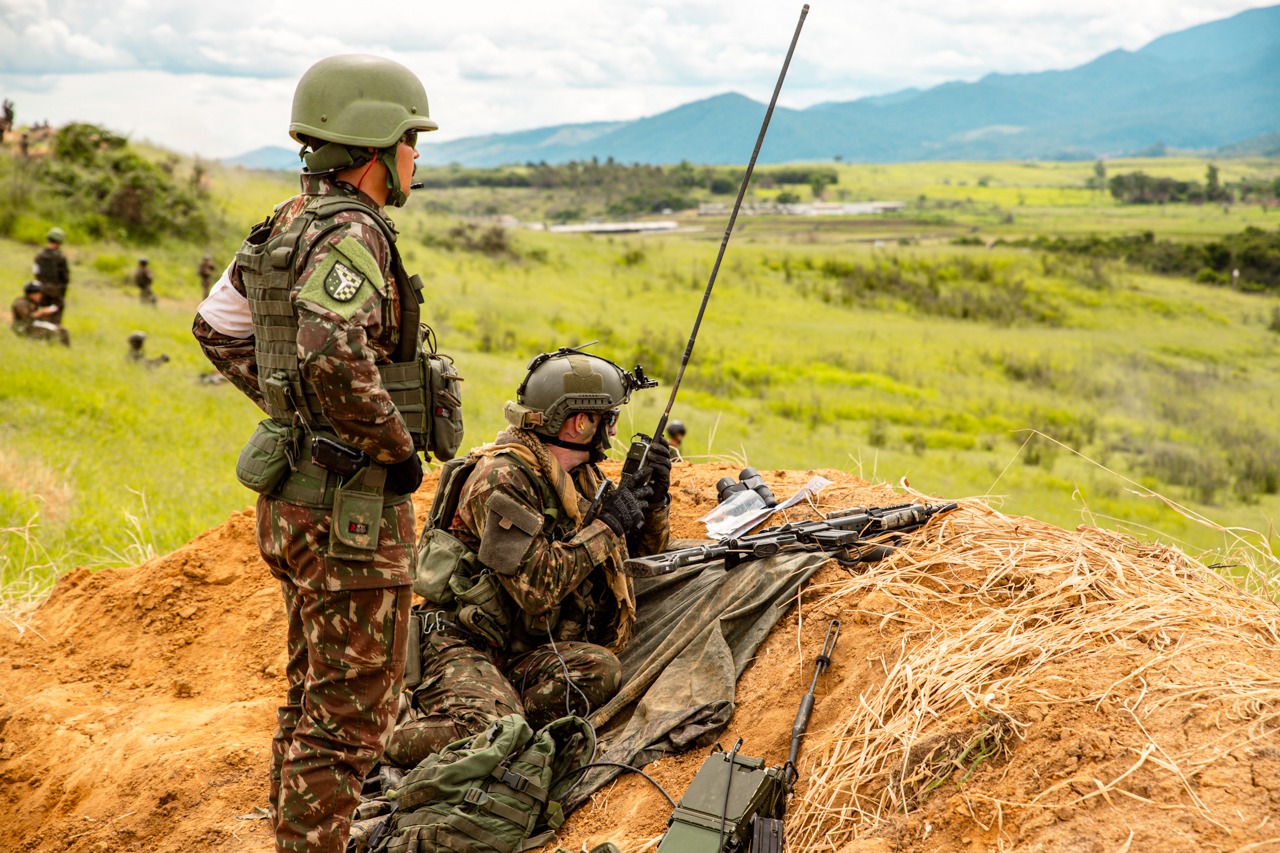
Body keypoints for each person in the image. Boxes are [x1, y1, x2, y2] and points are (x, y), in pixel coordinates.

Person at [191, 53, 439, 853]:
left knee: (312, 700)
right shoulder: (351, 230)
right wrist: (391, 448)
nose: (415, 158)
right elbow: (333, 349)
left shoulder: (283, 221)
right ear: (374, 144)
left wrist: (292, 417)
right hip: (350, 515)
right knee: (350, 716)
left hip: (297, 501)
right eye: (410, 140)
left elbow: (216, 326)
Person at [385, 347, 671, 767]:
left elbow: (638, 558)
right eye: (608, 419)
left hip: (522, 646)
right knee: (487, 733)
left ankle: (503, 709)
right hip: (461, 640)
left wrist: (653, 501)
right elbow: (537, 587)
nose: (612, 431)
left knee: (601, 671)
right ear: (579, 422)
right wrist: (607, 526)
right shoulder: (501, 479)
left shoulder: (579, 480)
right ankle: (376, 738)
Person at [11, 281, 70, 346]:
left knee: (62, 330)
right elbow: (27, 317)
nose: (39, 296)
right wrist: (41, 312)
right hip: (23, 327)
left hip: (34, 324)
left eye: (40, 293)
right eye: (36, 293)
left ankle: (66, 350)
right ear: (29, 294)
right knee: (52, 333)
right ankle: (51, 349)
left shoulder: (34, 302)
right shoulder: (21, 303)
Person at [33, 227, 69, 324]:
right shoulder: (60, 257)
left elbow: (36, 272)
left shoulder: (39, 255)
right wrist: (62, 292)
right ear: (59, 242)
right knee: (56, 312)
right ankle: (53, 332)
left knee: (40, 311)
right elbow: (65, 277)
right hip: (56, 290)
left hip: (41, 289)